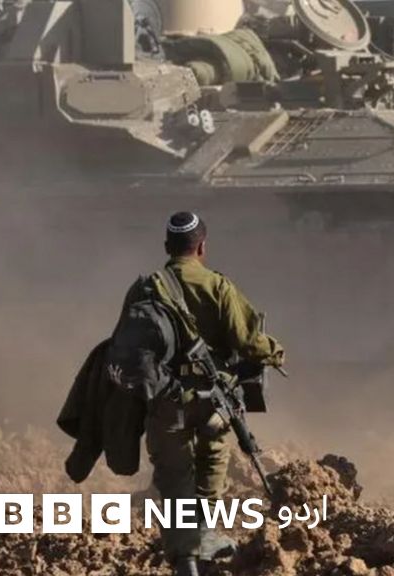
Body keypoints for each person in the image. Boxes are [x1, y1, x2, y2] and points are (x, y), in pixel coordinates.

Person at [146, 212, 285, 576]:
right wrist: (275, 352)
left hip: (163, 397)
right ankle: (201, 539)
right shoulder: (217, 286)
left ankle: (183, 550)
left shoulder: (146, 288)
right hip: (209, 397)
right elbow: (247, 340)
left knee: (173, 474)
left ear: (167, 246)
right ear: (202, 247)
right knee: (211, 461)